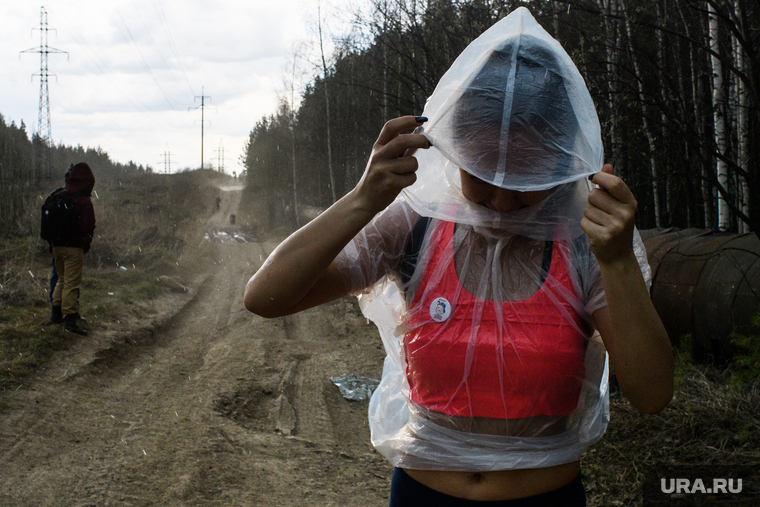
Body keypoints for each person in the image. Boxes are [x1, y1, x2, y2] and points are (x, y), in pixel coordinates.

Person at [244, 8, 673, 506]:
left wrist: (618, 262)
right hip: (423, 495)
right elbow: (266, 297)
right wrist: (363, 197)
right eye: (483, 175)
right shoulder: (418, 220)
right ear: (452, 150)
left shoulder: (585, 239)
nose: (503, 201)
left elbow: (652, 394)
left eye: (525, 181)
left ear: (562, 162)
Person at [49, 162, 96, 336]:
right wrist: (85, 243)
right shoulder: (83, 201)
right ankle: (69, 318)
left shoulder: (58, 196)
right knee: (72, 283)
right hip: (73, 248)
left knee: (61, 280)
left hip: (57, 247)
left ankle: (55, 314)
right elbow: (88, 226)